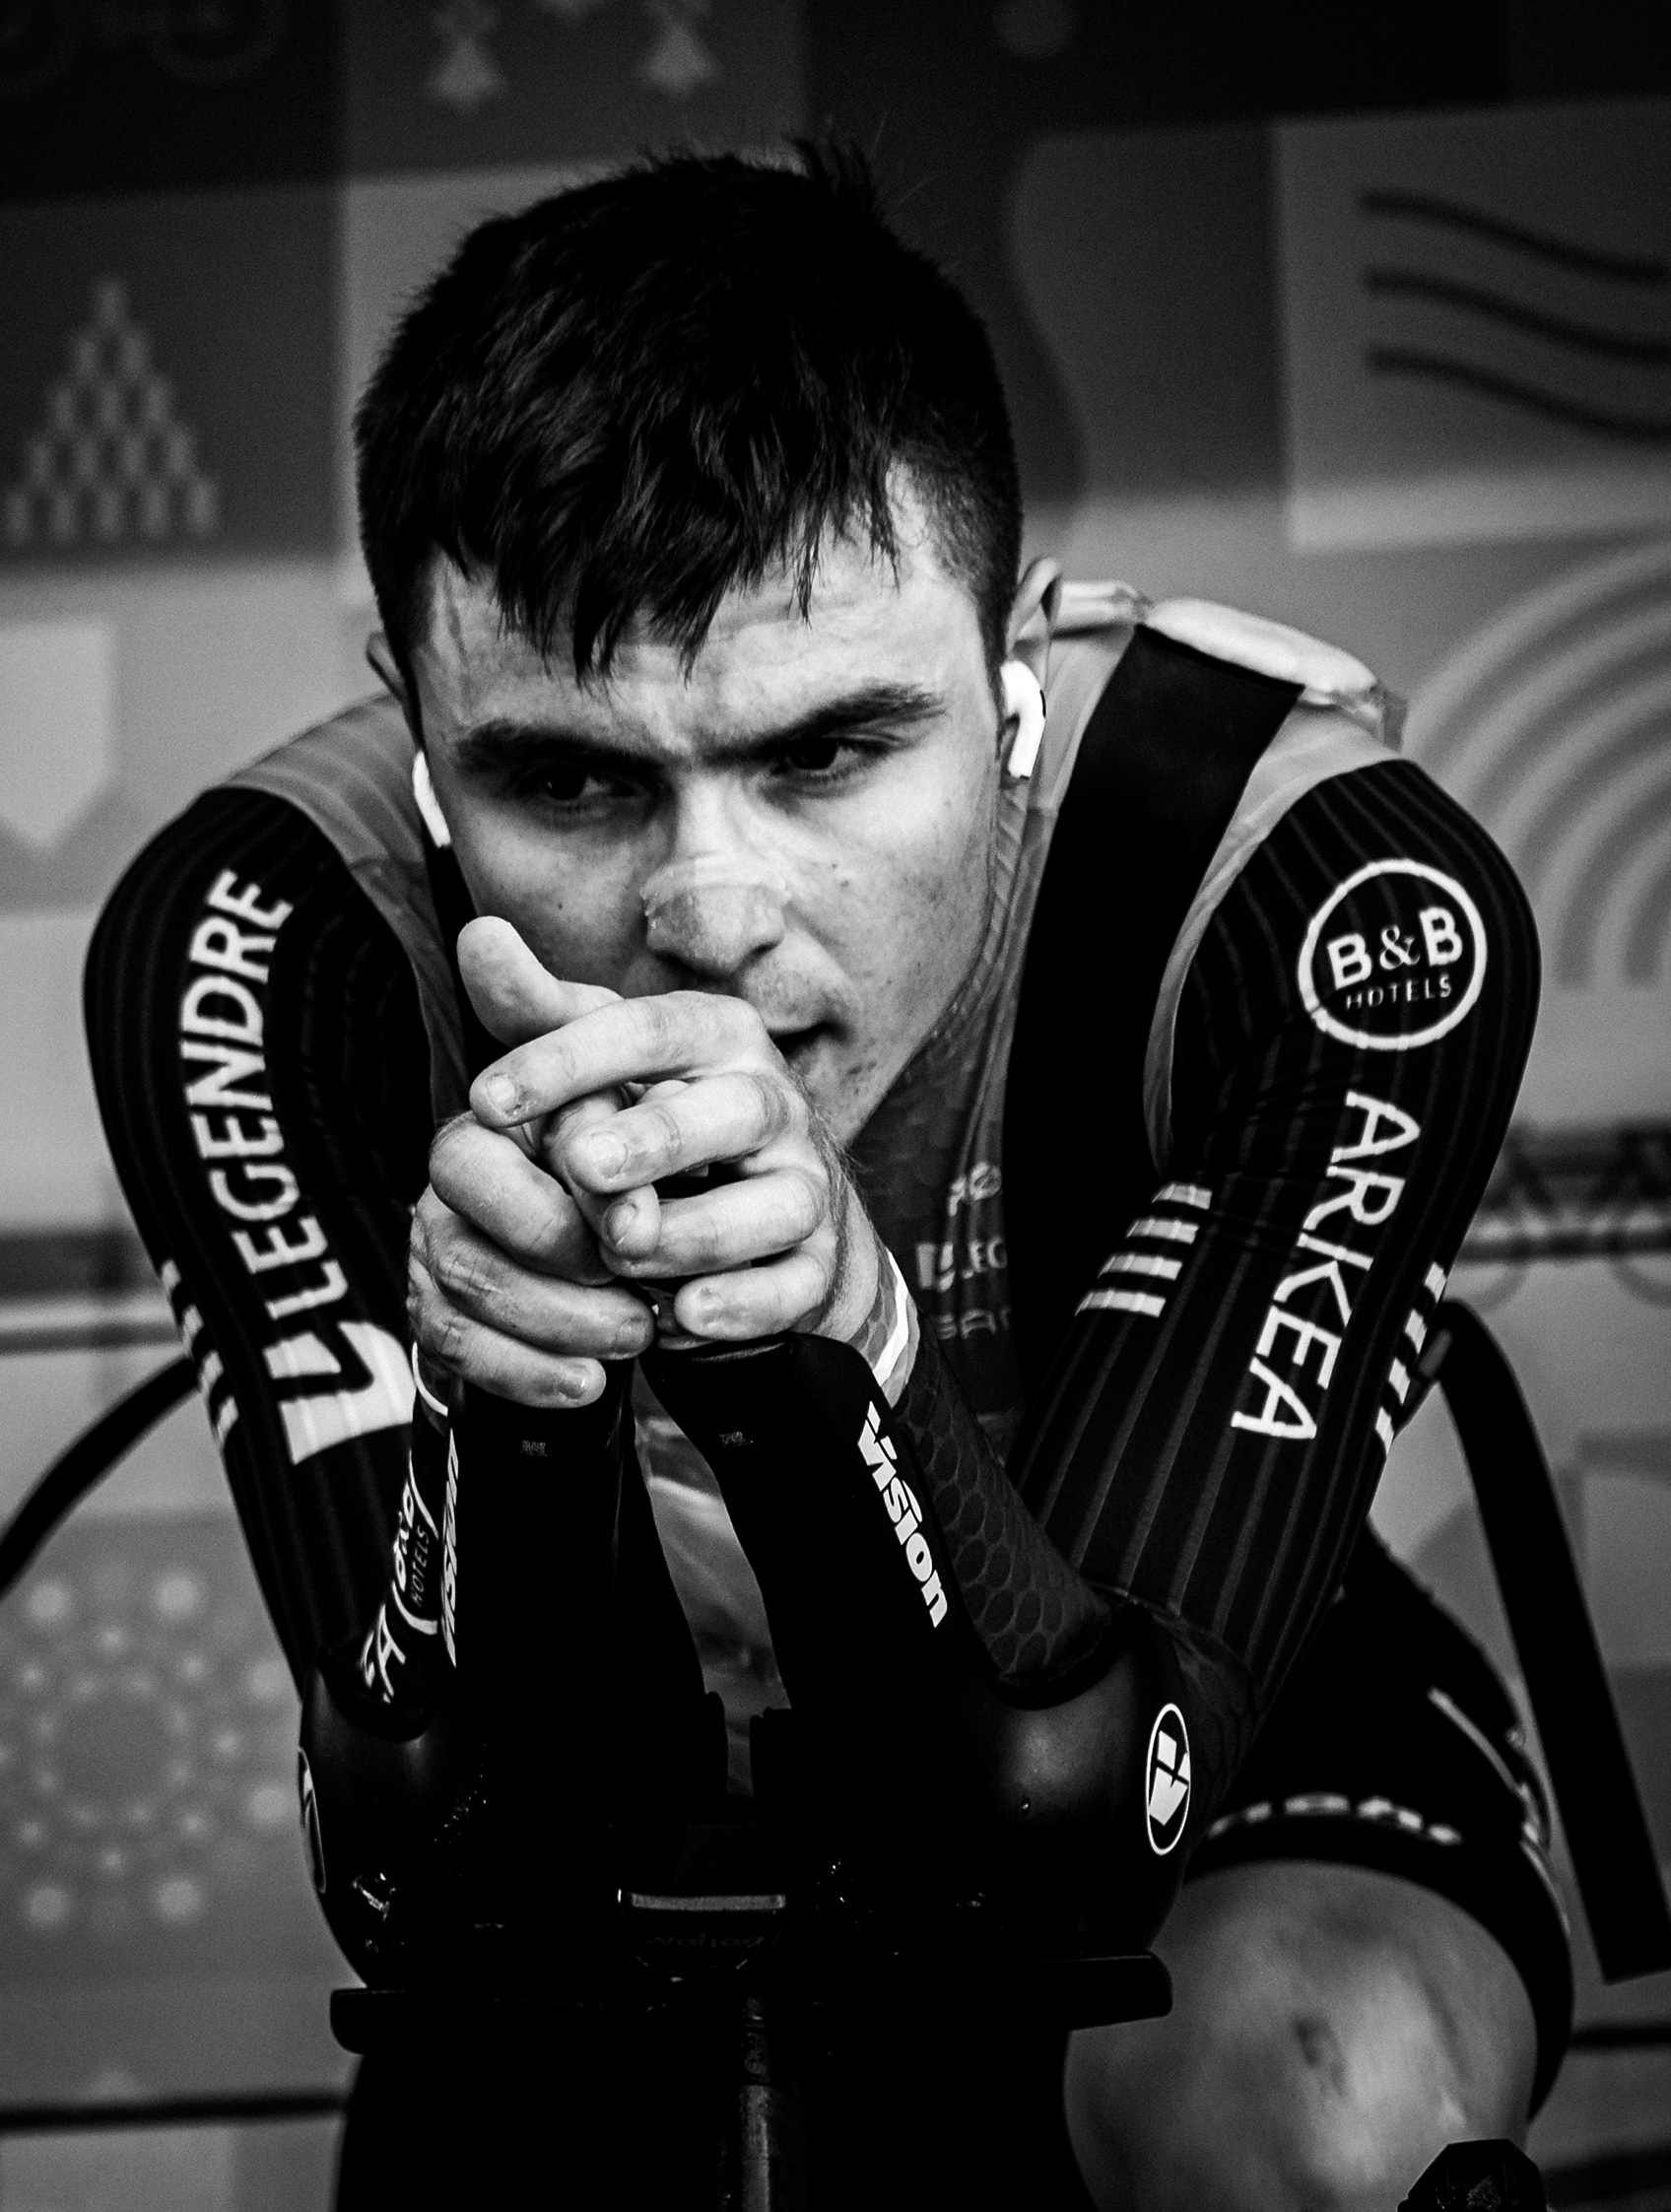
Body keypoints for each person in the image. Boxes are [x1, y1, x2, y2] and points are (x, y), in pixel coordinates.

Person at [85, 145, 1569, 2209]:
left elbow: (1077, 1822)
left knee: (1319, 2093)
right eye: (569, 778)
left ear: (1016, 675)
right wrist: (509, 1420)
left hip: (1176, 1679)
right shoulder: (259, 947)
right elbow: (440, 1864)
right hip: (607, 1772)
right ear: (412, 722)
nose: (712, 911)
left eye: (830, 752)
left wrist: (839, 1334)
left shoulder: (1318, 891)